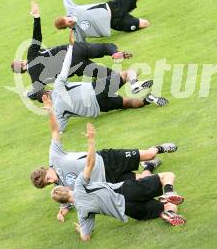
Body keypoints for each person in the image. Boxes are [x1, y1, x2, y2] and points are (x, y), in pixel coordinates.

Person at [31, 95, 177, 222]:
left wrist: (50, 111)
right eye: (48, 183)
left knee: (148, 154)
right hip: (109, 181)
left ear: (46, 170)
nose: (52, 181)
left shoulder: (55, 156)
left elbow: (55, 131)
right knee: (140, 181)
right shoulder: (61, 187)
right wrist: (62, 212)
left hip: (106, 159)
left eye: (48, 178)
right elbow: (66, 200)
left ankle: (159, 149)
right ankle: (149, 167)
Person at [51, 123, 186, 241]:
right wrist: (91, 140)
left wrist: (81, 230)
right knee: (167, 176)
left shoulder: (82, 212)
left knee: (169, 206)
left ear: (65, 203)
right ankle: (168, 193)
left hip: (128, 210)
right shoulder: (79, 185)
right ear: (68, 189)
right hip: (126, 190)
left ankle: (167, 213)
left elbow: (85, 238)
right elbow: (90, 163)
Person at [34, 29, 168, 132]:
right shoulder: (58, 86)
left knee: (128, 103)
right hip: (95, 89)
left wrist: (50, 111)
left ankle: (146, 100)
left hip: (99, 107)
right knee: (127, 74)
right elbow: (66, 65)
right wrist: (70, 46)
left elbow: (58, 130)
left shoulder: (57, 112)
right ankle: (134, 85)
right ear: (47, 92)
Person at [11, 1, 132, 99]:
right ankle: (114, 53)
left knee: (105, 74)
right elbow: (37, 37)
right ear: (22, 62)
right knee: (105, 47)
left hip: (76, 66)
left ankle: (129, 80)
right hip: (75, 49)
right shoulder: (31, 55)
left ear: (21, 72)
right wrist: (37, 17)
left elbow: (38, 94)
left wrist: (27, 94)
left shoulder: (36, 79)